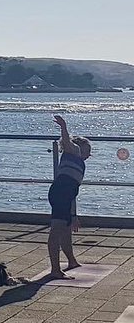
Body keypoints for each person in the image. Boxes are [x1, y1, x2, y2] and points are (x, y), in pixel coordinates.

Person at [47, 114, 91, 280]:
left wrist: (73, 215)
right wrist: (64, 128)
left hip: (66, 195)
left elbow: (73, 192)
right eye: (89, 149)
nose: (89, 153)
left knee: (66, 230)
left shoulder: (79, 163)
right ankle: (55, 269)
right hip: (60, 194)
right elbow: (67, 142)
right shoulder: (73, 152)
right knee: (57, 230)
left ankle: (71, 261)